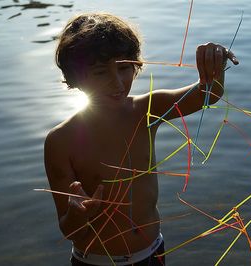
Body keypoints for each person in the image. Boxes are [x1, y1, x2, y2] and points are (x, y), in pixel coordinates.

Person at [44, 12, 238, 266]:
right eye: (101, 72)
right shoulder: (60, 141)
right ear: (76, 77)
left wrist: (214, 63)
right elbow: (68, 230)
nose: (117, 83)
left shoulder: (147, 110)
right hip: (97, 262)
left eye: (124, 68)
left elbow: (208, 94)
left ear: (135, 65)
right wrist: (79, 214)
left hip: (153, 252)